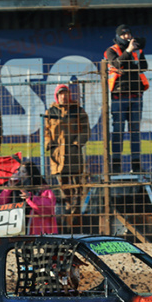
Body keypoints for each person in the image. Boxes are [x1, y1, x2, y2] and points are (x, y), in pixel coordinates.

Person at [104, 25, 148, 173]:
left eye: (129, 34)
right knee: (118, 131)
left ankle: (136, 166)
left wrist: (138, 52)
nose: (127, 37)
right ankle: (116, 166)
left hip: (136, 95)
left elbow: (144, 66)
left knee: (135, 132)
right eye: (124, 35)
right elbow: (117, 63)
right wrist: (128, 51)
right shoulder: (111, 50)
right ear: (118, 36)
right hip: (119, 96)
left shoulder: (136, 50)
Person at [45, 84, 90, 221]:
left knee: (77, 181)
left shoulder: (78, 110)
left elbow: (85, 130)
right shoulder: (51, 112)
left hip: (73, 152)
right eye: (61, 94)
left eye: (66, 94)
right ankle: (67, 207)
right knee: (63, 183)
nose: (64, 96)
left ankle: (77, 208)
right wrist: (49, 144)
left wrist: (77, 144)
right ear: (57, 96)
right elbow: (46, 131)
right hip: (57, 154)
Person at [0, 160, 58, 235]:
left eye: (23, 172)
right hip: (18, 229)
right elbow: (2, 203)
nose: (20, 175)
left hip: (39, 232)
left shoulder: (42, 188)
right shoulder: (16, 187)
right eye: (19, 172)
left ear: (31, 174)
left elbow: (48, 209)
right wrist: (9, 188)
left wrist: (31, 198)